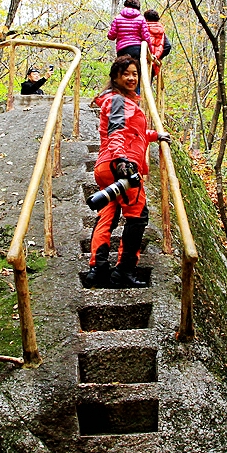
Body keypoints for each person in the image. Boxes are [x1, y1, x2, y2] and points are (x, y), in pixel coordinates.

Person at [84, 56, 170, 288]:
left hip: (105, 166)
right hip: (121, 165)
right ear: (115, 78)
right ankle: (124, 270)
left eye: (135, 74)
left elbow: (135, 133)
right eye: (126, 74)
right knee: (137, 215)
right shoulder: (119, 101)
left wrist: (155, 135)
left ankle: (98, 268)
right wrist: (122, 160)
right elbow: (117, 132)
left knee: (108, 214)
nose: (131, 78)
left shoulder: (120, 101)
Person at [143, 9, 171, 78]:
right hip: (153, 63)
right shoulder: (161, 31)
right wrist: (158, 57)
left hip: (141, 61)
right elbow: (167, 46)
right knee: (147, 85)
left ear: (146, 19)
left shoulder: (143, 29)